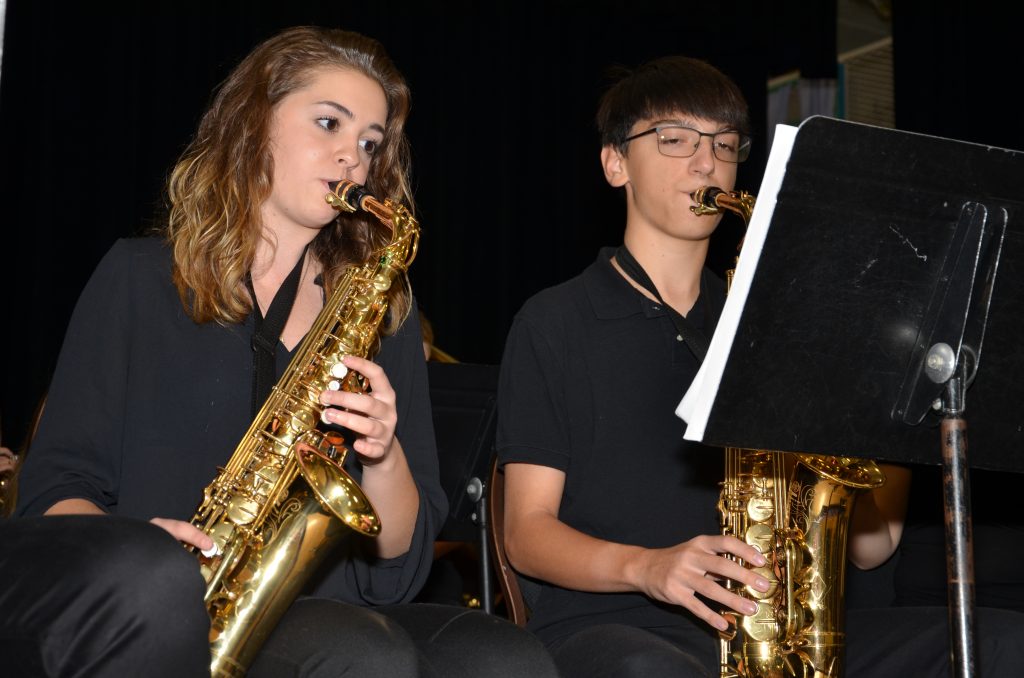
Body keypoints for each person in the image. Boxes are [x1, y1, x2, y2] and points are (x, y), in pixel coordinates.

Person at [0, 26, 557, 678]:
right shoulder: (138, 278)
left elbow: (401, 561)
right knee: (358, 652)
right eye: (329, 123)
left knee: (504, 656)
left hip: (334, 601)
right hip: (176, 600)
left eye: (370, 143)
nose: (353, 157)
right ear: (252, 123)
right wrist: (138, 556)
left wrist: (383, 451)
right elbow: (56, 487)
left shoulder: (384, 310)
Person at [494, 54, 1020, 678]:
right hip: (616, 625)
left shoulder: (779, 322)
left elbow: (874, 549)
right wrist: (648, 567)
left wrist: (878, 376)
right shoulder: (553, 321)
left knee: (1002, 642)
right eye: (674, 139)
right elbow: (526, 535)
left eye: (723, 144)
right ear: (615, 164)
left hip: (783, 631)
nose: (704, 161)